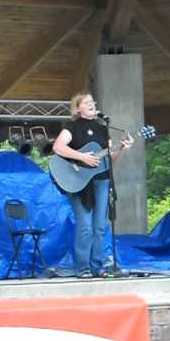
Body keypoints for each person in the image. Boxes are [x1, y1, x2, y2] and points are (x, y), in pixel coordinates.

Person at [52, 92, 133, 278]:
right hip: (78, 182)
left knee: (100, 226)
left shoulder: (103, 128)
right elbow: (58, 147)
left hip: (101, 180)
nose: (91, 104)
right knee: (85, 226)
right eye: (86, 102)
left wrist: (120, 149)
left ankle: (99, 266)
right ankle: (83, 267)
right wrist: (82, 157)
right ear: (77, 108)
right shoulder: (71, 127)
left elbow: (110, 159)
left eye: (92, 102)